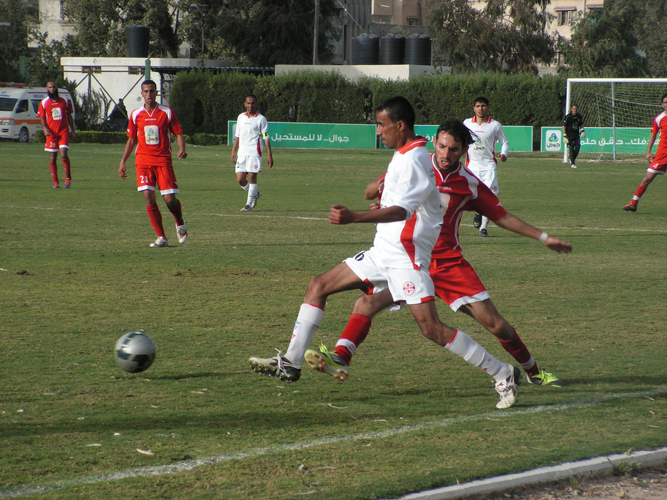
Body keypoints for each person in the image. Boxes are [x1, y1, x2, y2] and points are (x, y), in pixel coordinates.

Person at [249, 98, 522, 410]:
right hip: (384, 251)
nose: (377, 131)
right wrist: (375, 193)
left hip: (408, 257)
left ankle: (503, 372)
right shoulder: (404, 154)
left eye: (381, 125)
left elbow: (402, 211)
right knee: (318, 285)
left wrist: (354, 217)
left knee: (431, 329)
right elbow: (389, 196)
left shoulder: (416, 159)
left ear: (399, 126)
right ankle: (291, 363)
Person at [304, 119, 573, 395]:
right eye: (442, 146)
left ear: (464, 151)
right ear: (434, 142)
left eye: (454, 150)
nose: (446, 154)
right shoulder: (414, 164)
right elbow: (371, 192)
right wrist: (383, 188)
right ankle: (341, 357)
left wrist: (543, 237)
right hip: (406, 259)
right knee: (368, 302)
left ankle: (533, 371)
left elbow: (501, 216)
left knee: (496, 324)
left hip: (446, 263)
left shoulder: (467, 182)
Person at [118, 80, 188, 248]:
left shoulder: (167, 112)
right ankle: (161, 237)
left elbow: (178, 133)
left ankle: (179, 221)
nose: (149, 94)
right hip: (142, 161)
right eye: (146, 91)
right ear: (142, 94)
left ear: (156, 93)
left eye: (151, 91)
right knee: (149, 197)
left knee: (170, 200)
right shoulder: (135, 114)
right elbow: (131, 140)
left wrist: (181, 148)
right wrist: (122, 162)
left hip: (163, 160)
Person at [463, 97, 509, 237]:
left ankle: (483, 228)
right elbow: (459, 139)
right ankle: (477, 212)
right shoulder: (466, 123)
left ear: (488, 108)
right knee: (472, 196)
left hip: (489, 167)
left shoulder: (495, 125)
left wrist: (504, 154)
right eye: (478, 106)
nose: (480, 108)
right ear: (474, 108)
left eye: (483, 106)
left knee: (489, 197)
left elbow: (505, 142)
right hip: (471, 167)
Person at [622, 92, 667, 212]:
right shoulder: (659, 119)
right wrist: (648, 152)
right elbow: (653, 135)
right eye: (666, 102)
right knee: (647, 178)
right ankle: (633, 203)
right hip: (662, 154)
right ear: (662, 104)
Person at [231, 94, 273, 212]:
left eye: (252, 103)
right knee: (240, 179)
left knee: (252, 177)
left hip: (255, 152)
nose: (250, 105)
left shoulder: (261, 119)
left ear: (256, 104)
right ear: (245, 104)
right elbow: (237, 135)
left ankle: (248, 205)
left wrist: (270, 154)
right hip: (242, 153)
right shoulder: (241, 117)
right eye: (248, 103)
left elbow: (266, 137)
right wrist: (233, 150)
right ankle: (255, 193)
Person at [37, 81, 76, 189]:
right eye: (50, 87)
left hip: (63, 132)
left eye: (54, 87)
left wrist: (72, 130)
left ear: (57, 88)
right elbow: (42, 118)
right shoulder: (44, 102)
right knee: (53, 158)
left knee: (63, 155)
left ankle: (68, 178)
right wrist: (44, 128)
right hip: (52, 134)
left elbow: (69, 116)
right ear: (47, 89)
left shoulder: (64, 101)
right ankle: (56, 182)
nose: (52, 89)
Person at [562, 104, 585, 169]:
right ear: (571, 109)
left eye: (576, 109)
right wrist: (564, 135)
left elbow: (581, 124)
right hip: (569, 135)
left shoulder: (579, 116)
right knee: (571, 148)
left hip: (576, 135)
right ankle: (573, 163)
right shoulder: (568, 117)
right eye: (574, 108)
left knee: (577, 148)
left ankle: (572, 160)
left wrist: (582, 130)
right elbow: (564, 126)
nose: (575, 110)